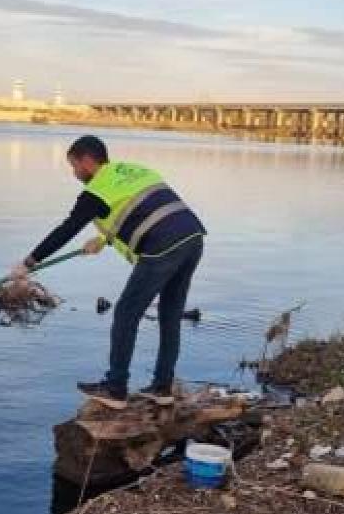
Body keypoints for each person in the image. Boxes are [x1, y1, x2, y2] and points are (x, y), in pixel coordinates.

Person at [11, 135, 207, 410]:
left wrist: (28, 263)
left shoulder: (96, 191)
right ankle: (162, 388)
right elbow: (139, 209)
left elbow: (67, 229)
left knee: (126, 313)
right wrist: (103, 239)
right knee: (170, 315)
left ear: (88, 161)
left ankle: (115, 389)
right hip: (192, 238)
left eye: (74, 165)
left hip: (162, 247)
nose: (75, 173)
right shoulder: (132, 170)